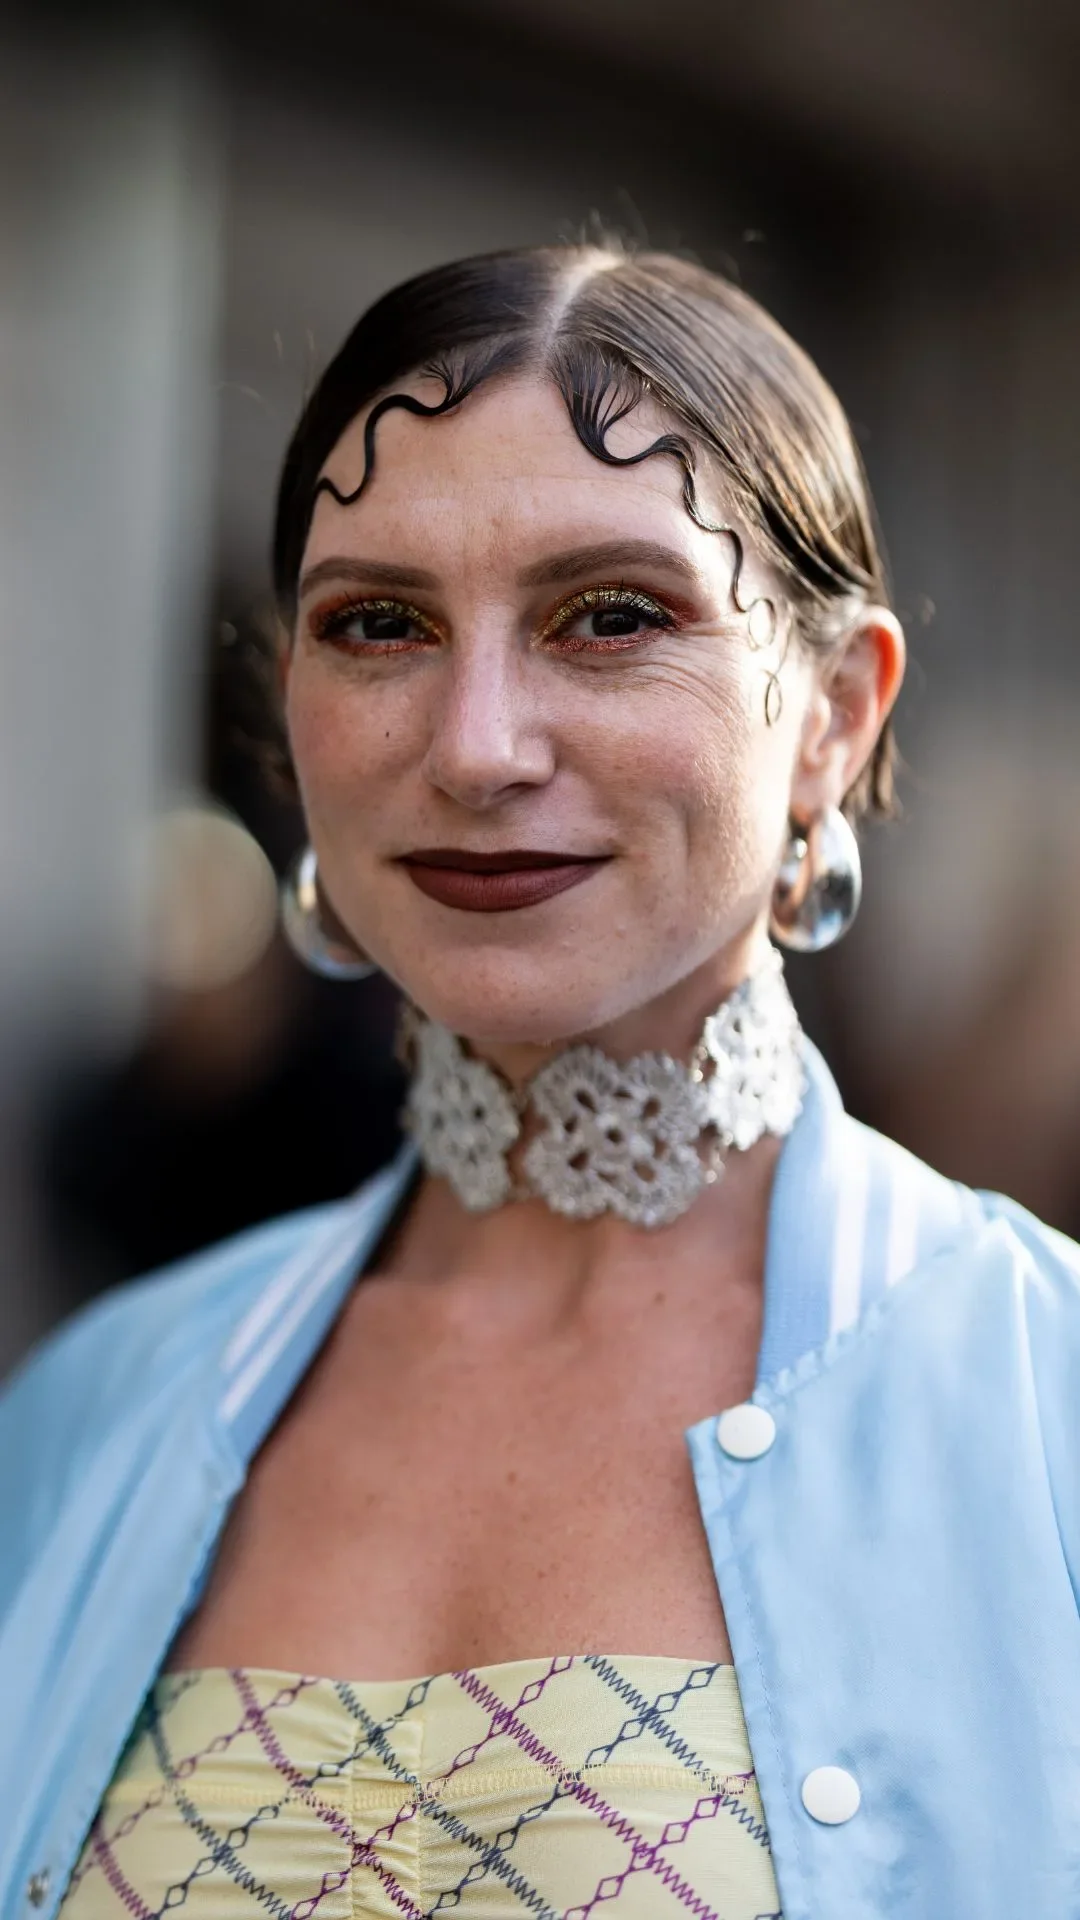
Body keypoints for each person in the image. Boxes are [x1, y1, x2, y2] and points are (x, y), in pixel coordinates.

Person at [2, 244, 1078, 1920]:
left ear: (834, 721)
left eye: (611, 615)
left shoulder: (1048, 1400)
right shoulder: (91, 1419)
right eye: (378, 623)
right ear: (289, 714)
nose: (477, 745)